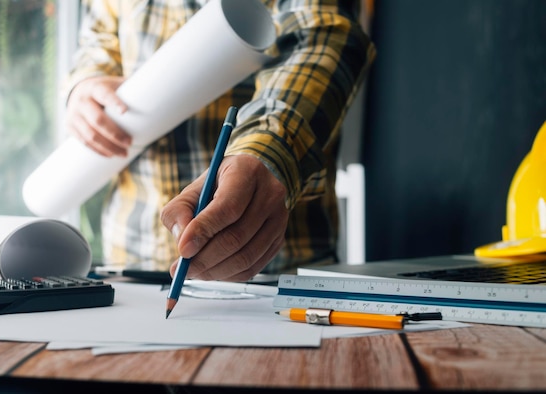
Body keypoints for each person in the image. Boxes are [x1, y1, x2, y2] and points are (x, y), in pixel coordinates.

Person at [63, 0, 376, 282]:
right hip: (132, 256)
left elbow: (323, 38)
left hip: (276, 267)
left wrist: (267, 149)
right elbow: (98, 43)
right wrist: (83, 86)